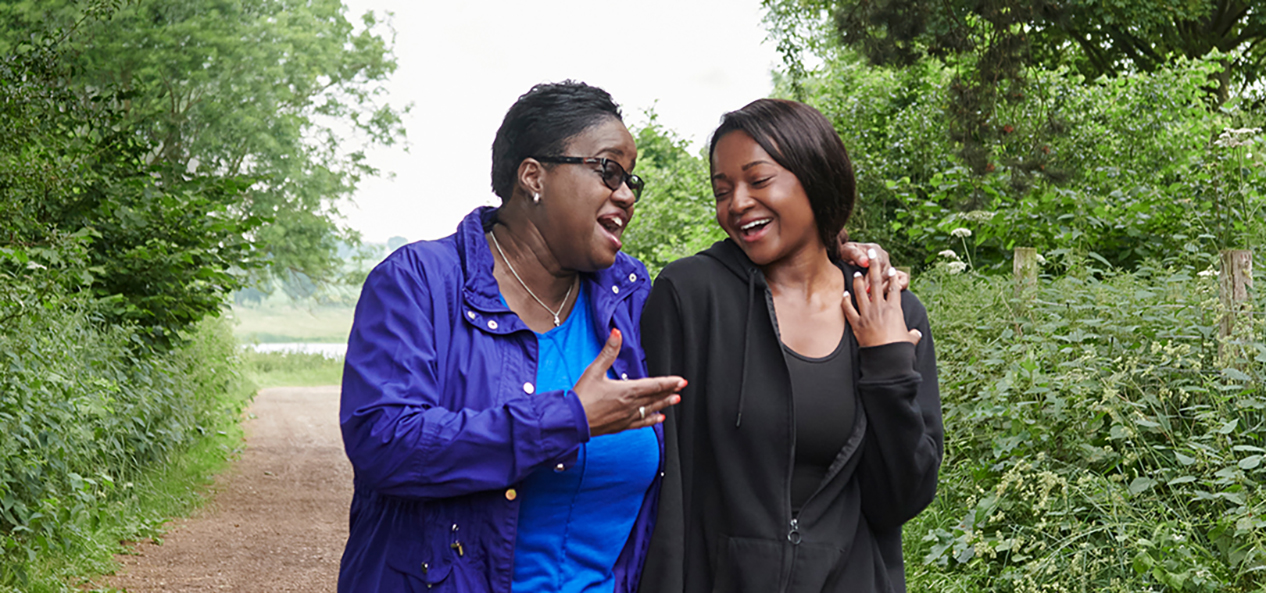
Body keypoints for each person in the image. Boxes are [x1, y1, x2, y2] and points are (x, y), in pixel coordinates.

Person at [337, 81, 685, 592]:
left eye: (631, 179)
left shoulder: (629, 296)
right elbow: (384, 442)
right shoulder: (420, 282)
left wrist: (825, 262)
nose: (627, 194)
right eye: (608, 170)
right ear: (533, 177)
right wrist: (568, 419)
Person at [638, 98, 942, 593]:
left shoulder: (893, 310)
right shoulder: (690, 297)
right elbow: (665, 487)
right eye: (722, 190)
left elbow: (900, 500)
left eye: (759, 181)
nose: (737, 204)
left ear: (815, 177)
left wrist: (887, 362)